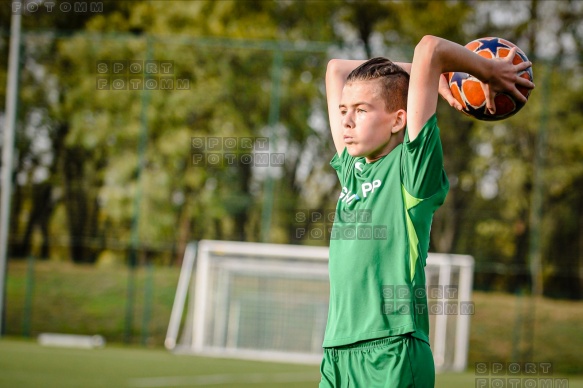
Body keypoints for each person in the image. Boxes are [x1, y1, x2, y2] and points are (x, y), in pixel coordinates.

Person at [319, 35, 534, 387]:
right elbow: (336, 69)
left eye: (361, 110)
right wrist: (436, 80)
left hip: (393, 349)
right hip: (337, 350)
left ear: (398, 120)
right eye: (344, 111)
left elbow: (430, 49)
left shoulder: (411, 170)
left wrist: (485, 71)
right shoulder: (351, 170)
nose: (347, 122)